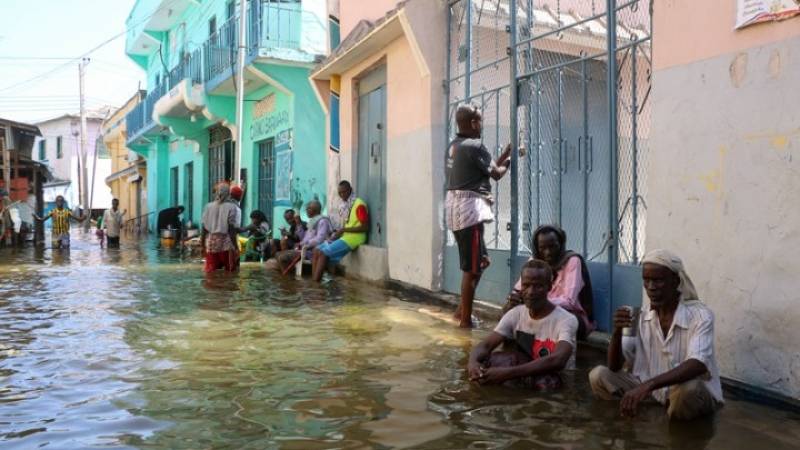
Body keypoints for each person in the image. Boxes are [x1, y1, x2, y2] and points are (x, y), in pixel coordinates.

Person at [588, 249, 724, 420]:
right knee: (598, 376)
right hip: (653, 393)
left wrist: (648, 385)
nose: (651, 287)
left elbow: (698, 364)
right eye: (646, 280)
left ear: (676, 281)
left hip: (686, 393)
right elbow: (614, 367)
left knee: (687, 391)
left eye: (658, 281)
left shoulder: (701, 315)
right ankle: (626, 416)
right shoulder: (636, 316)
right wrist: (616, 332)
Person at [446, 103, 522, 328]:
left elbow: (487, 170)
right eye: (480, 121)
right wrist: (511, 160)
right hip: (470, 212)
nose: (481, 126)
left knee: (481, 261)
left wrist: (506, 153)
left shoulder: (455, 145)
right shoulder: (475, 145)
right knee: (471, 269)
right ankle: (465, 322)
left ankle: (462, 311)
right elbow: (497, 174)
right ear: (473, 123)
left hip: (457, 210)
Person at [467, 259, 578, 389]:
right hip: (522, 373)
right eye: (526, 285)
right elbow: (485, 346)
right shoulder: (515, 314)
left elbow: (558, 360)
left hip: (555, 380)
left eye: (538, 286)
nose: (531, 292)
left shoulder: (566, 319)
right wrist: (472, 364)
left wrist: (507, 373)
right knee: (488, 363)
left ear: (549, 287)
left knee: (548, 383)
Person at [505, 225, 595, 339]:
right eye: (542, 248)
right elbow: (519, 289)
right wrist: (515, 298)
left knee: (553, 320)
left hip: (568, 313)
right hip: (537, 308)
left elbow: (569, 301)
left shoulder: (572, 261)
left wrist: (540, 301)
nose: (548, 252)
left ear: (560, 244)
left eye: (552, 247)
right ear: (537, 248)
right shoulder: (534, 261)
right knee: (508, 310)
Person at [311, 181, 368, 282]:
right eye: (339, 193)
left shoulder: (359, 205)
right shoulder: (345, 205)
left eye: (344, 192)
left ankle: (316, 285)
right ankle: (315, 280)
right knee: (316, 250)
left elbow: (365, 227)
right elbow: (346, 225)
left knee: (324, 253)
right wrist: (337, 233)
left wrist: (343, 230)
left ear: (350, 190)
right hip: (345, 236)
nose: (342, 195)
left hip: (355, 238)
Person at [276, 199, 333, 273]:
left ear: (315, 210)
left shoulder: (323, 221)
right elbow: (304, 238)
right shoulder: (312, 221)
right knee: (278, 254)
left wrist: (304, 244)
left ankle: (289, 278)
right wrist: (300, 242)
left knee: (282, 257)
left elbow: (319, 239)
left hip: (311, 252)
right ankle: (290, 274)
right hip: (304, 249)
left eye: (308, 208)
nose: (306, 210)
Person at [200, 183, 242, 273]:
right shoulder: (232, 207)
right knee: (230, 272)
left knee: (211, 271)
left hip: (211, 244)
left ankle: (212, 286)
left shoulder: (208, 206)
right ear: (228, 193)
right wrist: (236, 247)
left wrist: (202, 244)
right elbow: (231, 229)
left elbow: (204, 228)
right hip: (226, 244)